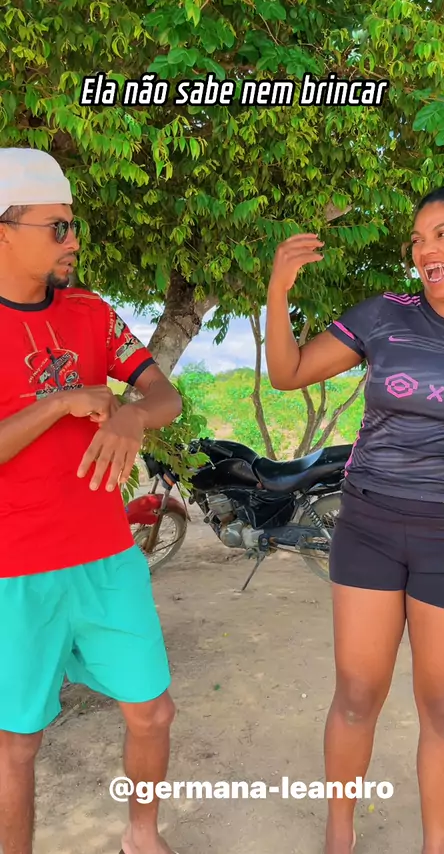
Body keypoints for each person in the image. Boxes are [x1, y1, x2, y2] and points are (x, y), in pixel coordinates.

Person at [265, 184, 444, 854]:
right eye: (417, 239)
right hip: (370, 526)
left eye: (443, 233)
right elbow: (288, 373)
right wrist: (278, 291)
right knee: (357, 694)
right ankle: (340, 834)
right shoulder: (385, 315)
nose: (424, 249)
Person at [0, 147, 183, 854]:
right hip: (15, 570)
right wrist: (59, 403)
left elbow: (163, 392)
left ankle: (142, 837)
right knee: (16, 743)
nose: (72, 239)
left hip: (107, 557)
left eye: (74, 225)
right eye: (57, 227)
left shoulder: (91, 313)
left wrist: (134, 414)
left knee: (153, 712)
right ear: (5, 231)